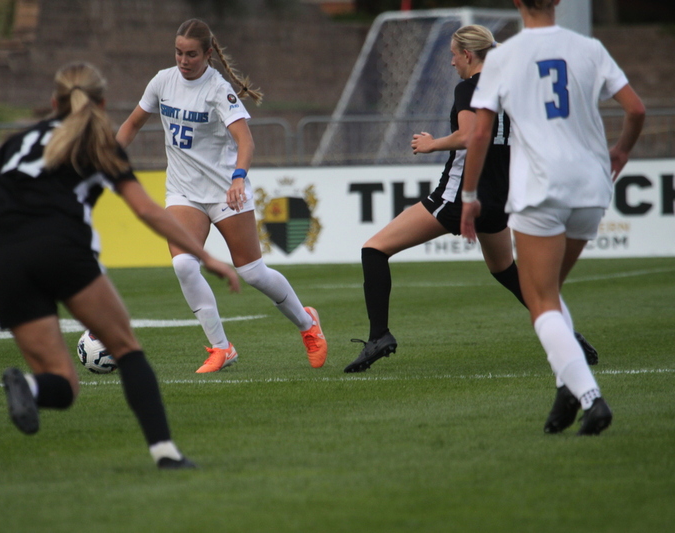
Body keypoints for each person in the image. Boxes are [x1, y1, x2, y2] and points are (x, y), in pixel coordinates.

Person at [0, 62, 241, 469]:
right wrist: (210, 258)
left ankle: (32, 388)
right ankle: (166, 454)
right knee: (126, 350)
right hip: (60, 248)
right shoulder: (99, 144)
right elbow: (145, 210)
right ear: (103, 103)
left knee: (64, 384)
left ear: (53, 102)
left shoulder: (20, 140)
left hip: (6, 261)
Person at [344, 25, 598, 373]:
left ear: (467, 55)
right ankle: (568, 334)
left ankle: (379, 336)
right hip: (498, 198)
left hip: (463, 196)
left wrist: (433, 144)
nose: (451, 62)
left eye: (453, 55)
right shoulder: (510, 89)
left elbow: (469, 136)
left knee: (374, 249)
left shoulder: (470, 88)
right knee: (507, 271)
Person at [460, 0, 645, 435]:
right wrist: (621, 151)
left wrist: (469, 194)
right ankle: (566, 386)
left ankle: (590, 398)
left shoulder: (503, 56)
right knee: (551, 294)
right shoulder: (589, 47)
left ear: (517, 3)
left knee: (540, 300)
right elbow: (635, 109)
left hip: (542, 188)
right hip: (591, 186)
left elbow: (481, 132)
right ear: (559, 2)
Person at [116, 18, 327, 373]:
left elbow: (246, 140)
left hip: (224, 192)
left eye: (192, 55)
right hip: (183, 192)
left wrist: (238, 179)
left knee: (253, 273)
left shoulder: (218, 89)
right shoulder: (162, 81)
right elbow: (132, 124)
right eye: (179, 53)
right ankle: (221, 347)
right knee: (184, 264)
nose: (184, 61)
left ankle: (308, 325)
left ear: (208, 54)